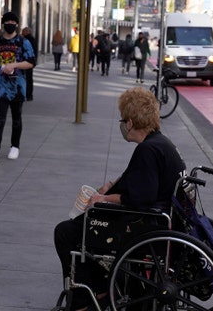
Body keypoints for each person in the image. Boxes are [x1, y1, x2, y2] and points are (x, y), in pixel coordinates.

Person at [54, 87, 187, 311]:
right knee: (84, 223)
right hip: (162, 220)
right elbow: (141, 179)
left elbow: (139, 198)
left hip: (147, 225)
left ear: (131, 123)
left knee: (67, 231)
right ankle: (99, 287)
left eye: (123, 119)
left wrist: (101, 199)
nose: (122, 125)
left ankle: (90, 295)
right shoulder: (159, 143)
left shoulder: (147, 150)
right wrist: (111, 186)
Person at [0, 12, 35, 162]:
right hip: (1, 87)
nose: (10, 23)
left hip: (18, 86)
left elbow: (31, 62)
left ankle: (15, 146)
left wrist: (14, 65)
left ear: (17, 24)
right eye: (8, 21)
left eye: (13, 21)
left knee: (16, 118)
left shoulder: (23, 42)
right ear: (3, 23)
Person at [21, 27, 38, 101]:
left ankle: (26, 93)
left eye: (23, 32)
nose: (21, 33)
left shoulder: (26, 40)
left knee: (26, 77)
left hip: (26, 60)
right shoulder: (32, 39)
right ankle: (29, 95)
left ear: (27, 32)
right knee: (29, 78)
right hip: (30, 61)